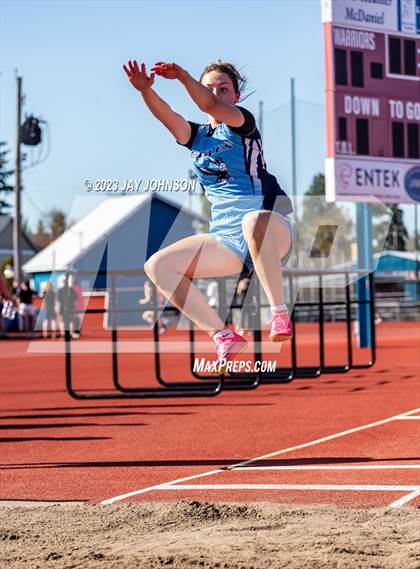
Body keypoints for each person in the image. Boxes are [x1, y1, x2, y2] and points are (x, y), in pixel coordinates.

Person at [123, 59, 294, 369]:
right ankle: (222, 336)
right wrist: (146, 92)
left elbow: (210, 103)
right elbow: (169, 118)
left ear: (236, 96)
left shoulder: (243, 123)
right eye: (210, 87)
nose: (216, 94)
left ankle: (279, 313)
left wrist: (186, 78)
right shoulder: (197, 136)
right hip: (227, 241)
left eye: (223, 89)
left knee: (251, 220)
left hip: (270, 229)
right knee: (158, 265)